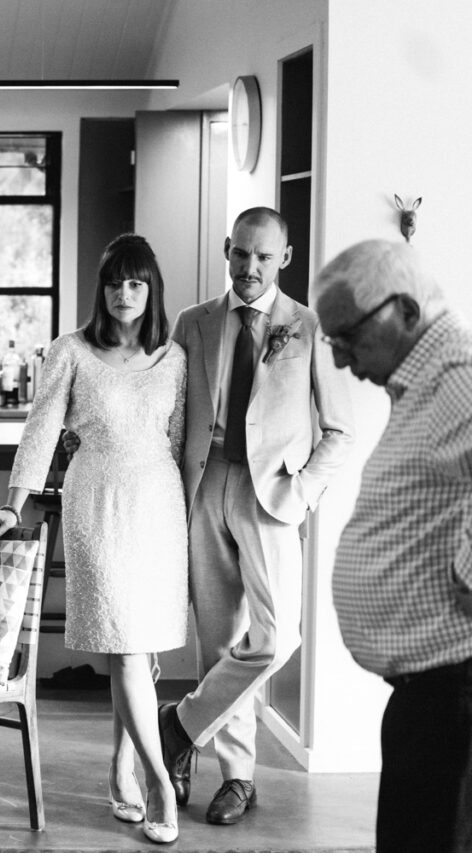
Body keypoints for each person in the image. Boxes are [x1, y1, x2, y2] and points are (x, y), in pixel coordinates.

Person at [148, 207, 356, 825]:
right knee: (219, 642)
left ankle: (180, 726)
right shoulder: (193, 322)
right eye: (241, 253)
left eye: (264, 256)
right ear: (226, 249)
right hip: (204, 483)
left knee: (276, 637)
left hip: (273, 496)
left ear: (283, 258)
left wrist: (304, 492)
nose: (250, 266)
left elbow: (340, 430)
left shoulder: (309, 327)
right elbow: (168, 412)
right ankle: (237, 779)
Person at [0, 233, 188, 844]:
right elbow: (41, 430)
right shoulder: (69, 351)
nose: (124, 293)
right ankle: (159, 781)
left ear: (151, 290)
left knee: (137, 648)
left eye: (136, 283)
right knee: (126, 645)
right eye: (115, 282)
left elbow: (178, 442)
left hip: (158, 506)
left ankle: (121, 770)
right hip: (96, 501)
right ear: (102, 289)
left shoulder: (174, 357)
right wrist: (13, 504)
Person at [314, 239, 472, 853]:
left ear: (405, 310)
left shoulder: (459, 377)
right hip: (431, 694)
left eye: (348, 336)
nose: (340, 357)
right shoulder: (426, 384)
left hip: (456, 694)